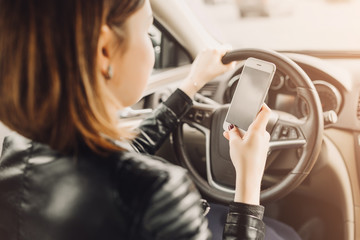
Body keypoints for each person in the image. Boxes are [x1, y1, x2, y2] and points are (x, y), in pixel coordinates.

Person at [0, 0, 300, 239]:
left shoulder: (14, 153)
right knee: (288, 233)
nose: (152, 47)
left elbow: (125, 151)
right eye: (147, 32)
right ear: (104, 50)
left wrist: (192, 84)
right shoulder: (153, 193)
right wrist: (248, 181)